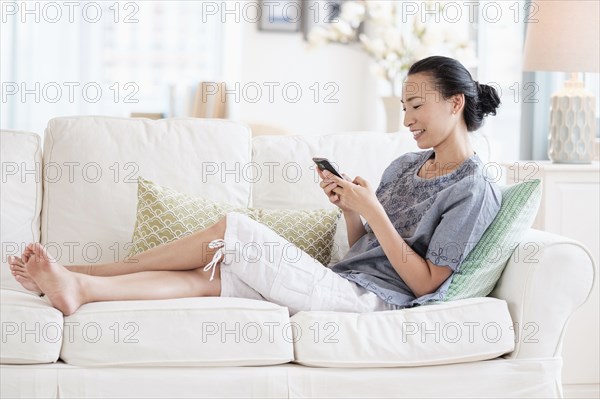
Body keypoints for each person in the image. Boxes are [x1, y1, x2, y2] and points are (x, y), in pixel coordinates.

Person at [8, 56, 502, 316]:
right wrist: (351, 210)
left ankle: (85, 268)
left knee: (234, 229)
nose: (408, 118)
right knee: (208, 278)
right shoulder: (403, 166)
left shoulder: (473, 187)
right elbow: (362, 250)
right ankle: (80, 288)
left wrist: (371, 209)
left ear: (455, 103)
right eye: (403, 106)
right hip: (342, 281)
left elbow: (426, 284)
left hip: (375, 304)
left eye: (417, 105)